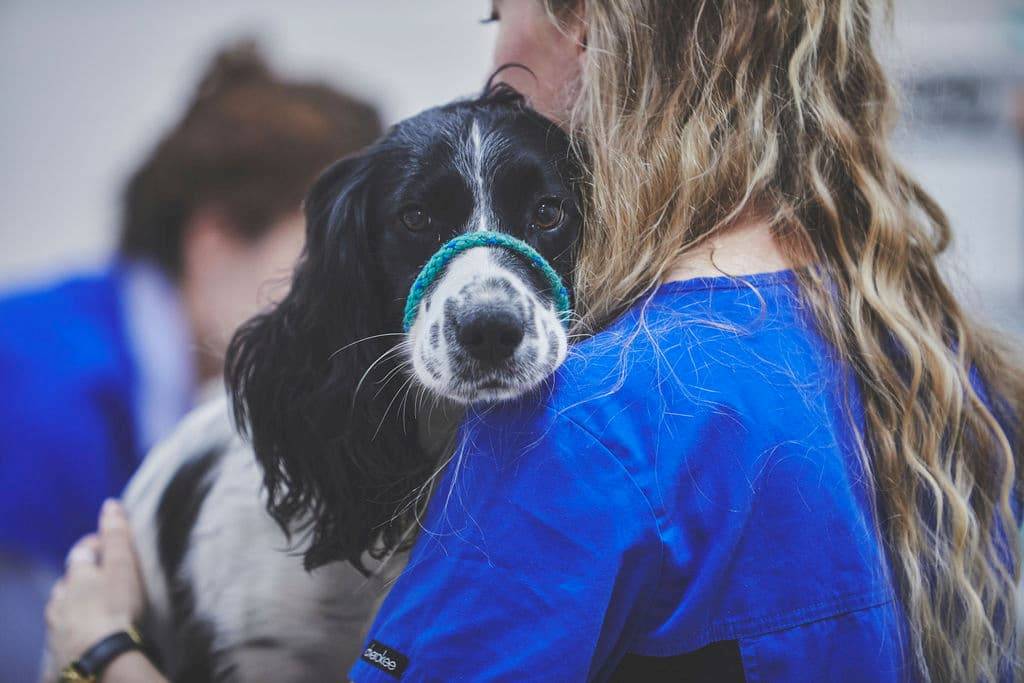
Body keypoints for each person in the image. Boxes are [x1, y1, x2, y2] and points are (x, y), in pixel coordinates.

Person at [46, 1, 1023, 681]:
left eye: (494, 14)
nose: (490, 60)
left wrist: (100, 653)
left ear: (593, 27)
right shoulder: (943, 365)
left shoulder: (581, 422)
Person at [1, 41, 381, 682]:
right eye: (323, 257)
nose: (353, 294)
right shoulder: (45, 396)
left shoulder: (114, 359)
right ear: (214, 238)